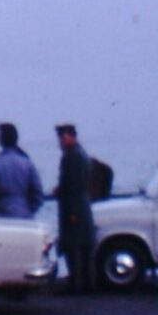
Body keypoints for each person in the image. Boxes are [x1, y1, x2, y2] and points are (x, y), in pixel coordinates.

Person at [53, 124, 96, 293]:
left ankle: (77, 283)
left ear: (70, 136)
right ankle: (85, 282)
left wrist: (70, 210)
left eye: (62, 137)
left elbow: (73, 184)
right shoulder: (80, 154)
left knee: (74, 246)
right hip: (81, 204)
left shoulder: (72, 156)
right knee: (83, 246)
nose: (60, 142)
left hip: (74, 206)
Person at [0, 123, 44, 218]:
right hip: (25, 217)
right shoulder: (28, 164)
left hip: (2, 217)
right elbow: (38, 195)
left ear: (0, 141)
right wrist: (28, 210)